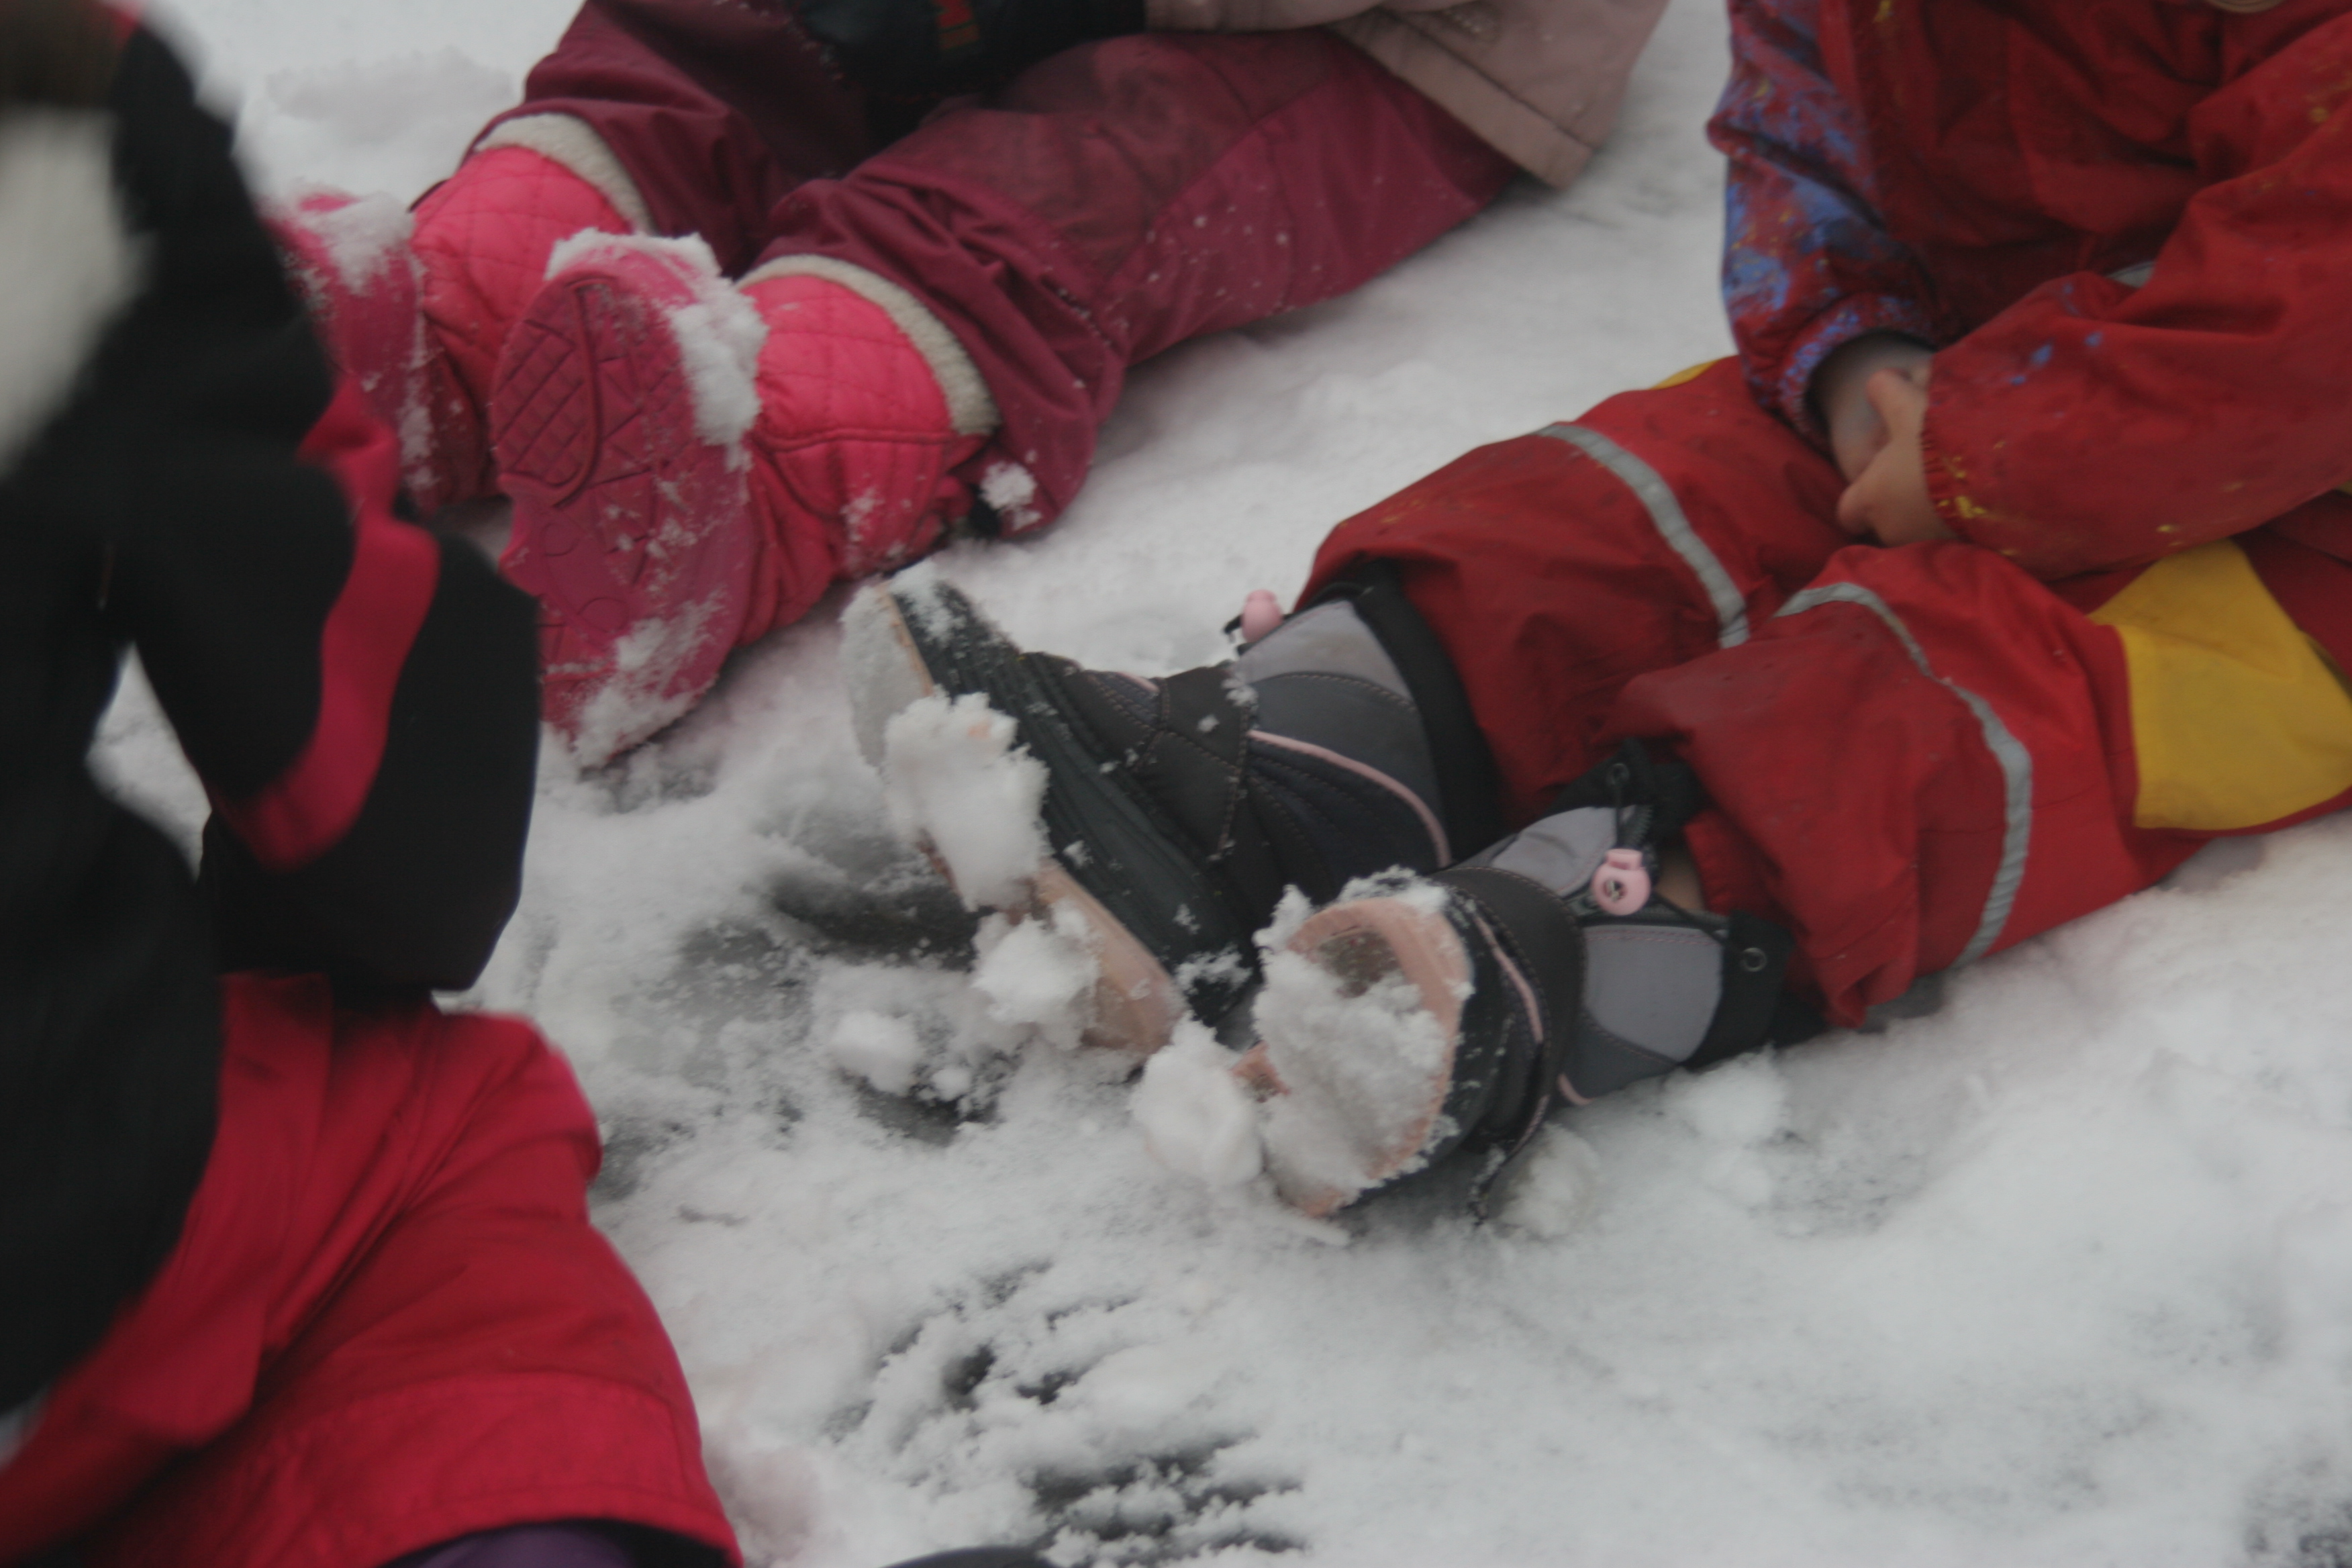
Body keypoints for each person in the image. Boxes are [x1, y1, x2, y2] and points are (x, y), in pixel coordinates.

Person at [840, 0, 2352, 1215]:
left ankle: (1615, 936)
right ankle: (1294, 763)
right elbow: (1803, 123)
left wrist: (1994, 457)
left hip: (2308, 527)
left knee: (1958, 690)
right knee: (1628, 504)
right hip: (1979, 354)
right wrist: (1848, 345)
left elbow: (2314, 308)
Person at [0, 5, 751, 1562]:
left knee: (678, 106)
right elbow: (369, 765)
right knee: (442, 1142)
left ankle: (454, 303)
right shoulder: (41, 114)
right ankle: (794, 432)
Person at [276, 0, 1672, 760]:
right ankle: (445, 322)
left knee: (1040, 205)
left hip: (1390, 39)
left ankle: (741, 478)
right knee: (703, 34)